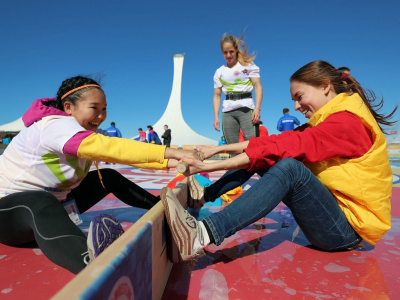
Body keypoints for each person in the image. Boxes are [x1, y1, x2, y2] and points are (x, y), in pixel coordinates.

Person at [161, 60, 396, 262]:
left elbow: (284, 149)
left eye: (299, 97)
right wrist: (215, 150)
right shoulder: (330, 119)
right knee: (269, 155)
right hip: (334, 217)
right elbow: (271, 143)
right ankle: (202, 197)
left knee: (289, 168)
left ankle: (200, 236)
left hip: (346, 231)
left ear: (325, 86)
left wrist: (208, 166)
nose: (296, 106)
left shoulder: (348, 123)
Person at [0, 76, 203, 274]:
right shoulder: (53, 125)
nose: (101, 116)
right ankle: (92, 266)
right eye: (94, 108)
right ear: (68, 107)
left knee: (107, 176)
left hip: (54, 209)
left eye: (104, 109)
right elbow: (112, 148)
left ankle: (165, 211)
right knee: (40, 200)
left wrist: (173, 162)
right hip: (11, 217)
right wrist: (174, 152)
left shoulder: (81, 133)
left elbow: (123, 155)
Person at [212, 33, 263, 145]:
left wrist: (257, 109)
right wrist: (216, 116)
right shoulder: (219, 72)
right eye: (225, 52)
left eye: (231, 51)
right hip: (227, 112)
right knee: (232, 147)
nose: (228, 55)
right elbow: (217, 95)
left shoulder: (248, 65)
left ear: (236, 50)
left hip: (246, 108)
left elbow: (257, 86)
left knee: (252, 145)